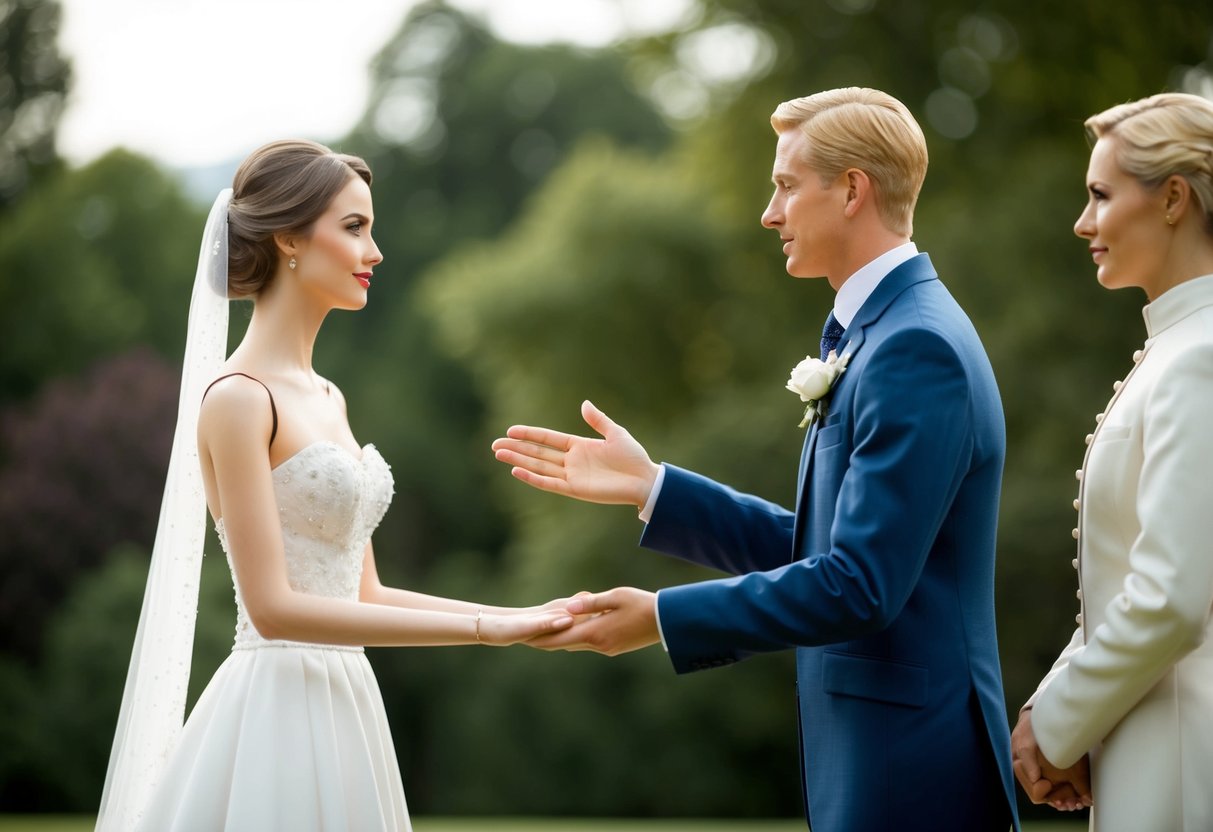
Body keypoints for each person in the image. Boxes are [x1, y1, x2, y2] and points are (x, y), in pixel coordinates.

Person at [492, 87, 1019, 831]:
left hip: (912, 772)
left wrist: (663, 617)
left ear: (850, 190)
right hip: (879, 758)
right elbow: (825, 550)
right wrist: (653, 489)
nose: (769, 213)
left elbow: (858, 585)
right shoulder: (880, 331)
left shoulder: (913, 347)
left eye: (784, 186)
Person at [95, 139, 574, 832]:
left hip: (349, 701)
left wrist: (519, 620)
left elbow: (363, 593)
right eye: (354, 228)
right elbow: (273, 610)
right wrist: (484, 630)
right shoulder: (237, 398)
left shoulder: (328, 397)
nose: (375, 252)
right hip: (274, 710)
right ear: (288, 237)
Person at [1011, 92, 1213, 830]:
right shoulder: (1177, 349)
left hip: (1183, 759)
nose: (1083, 222)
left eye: (1099, 195)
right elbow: (1123, 580)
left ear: (1170, 199)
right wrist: (1052, 704)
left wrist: (1054, 724)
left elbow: (1168, 600)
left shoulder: (1199, 359)